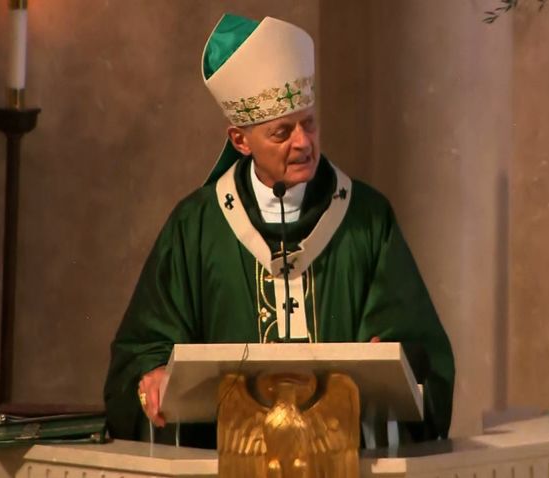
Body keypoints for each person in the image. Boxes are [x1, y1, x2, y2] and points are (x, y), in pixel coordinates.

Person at [103, 13, 454, 448]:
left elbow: (421, 351)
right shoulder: (196, 227)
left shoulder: (366, 218)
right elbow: (141, 352)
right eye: (282, 132)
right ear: (240, 141)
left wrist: (395, 359)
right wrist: (152, 378)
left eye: (308, 123)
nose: (303, 142)